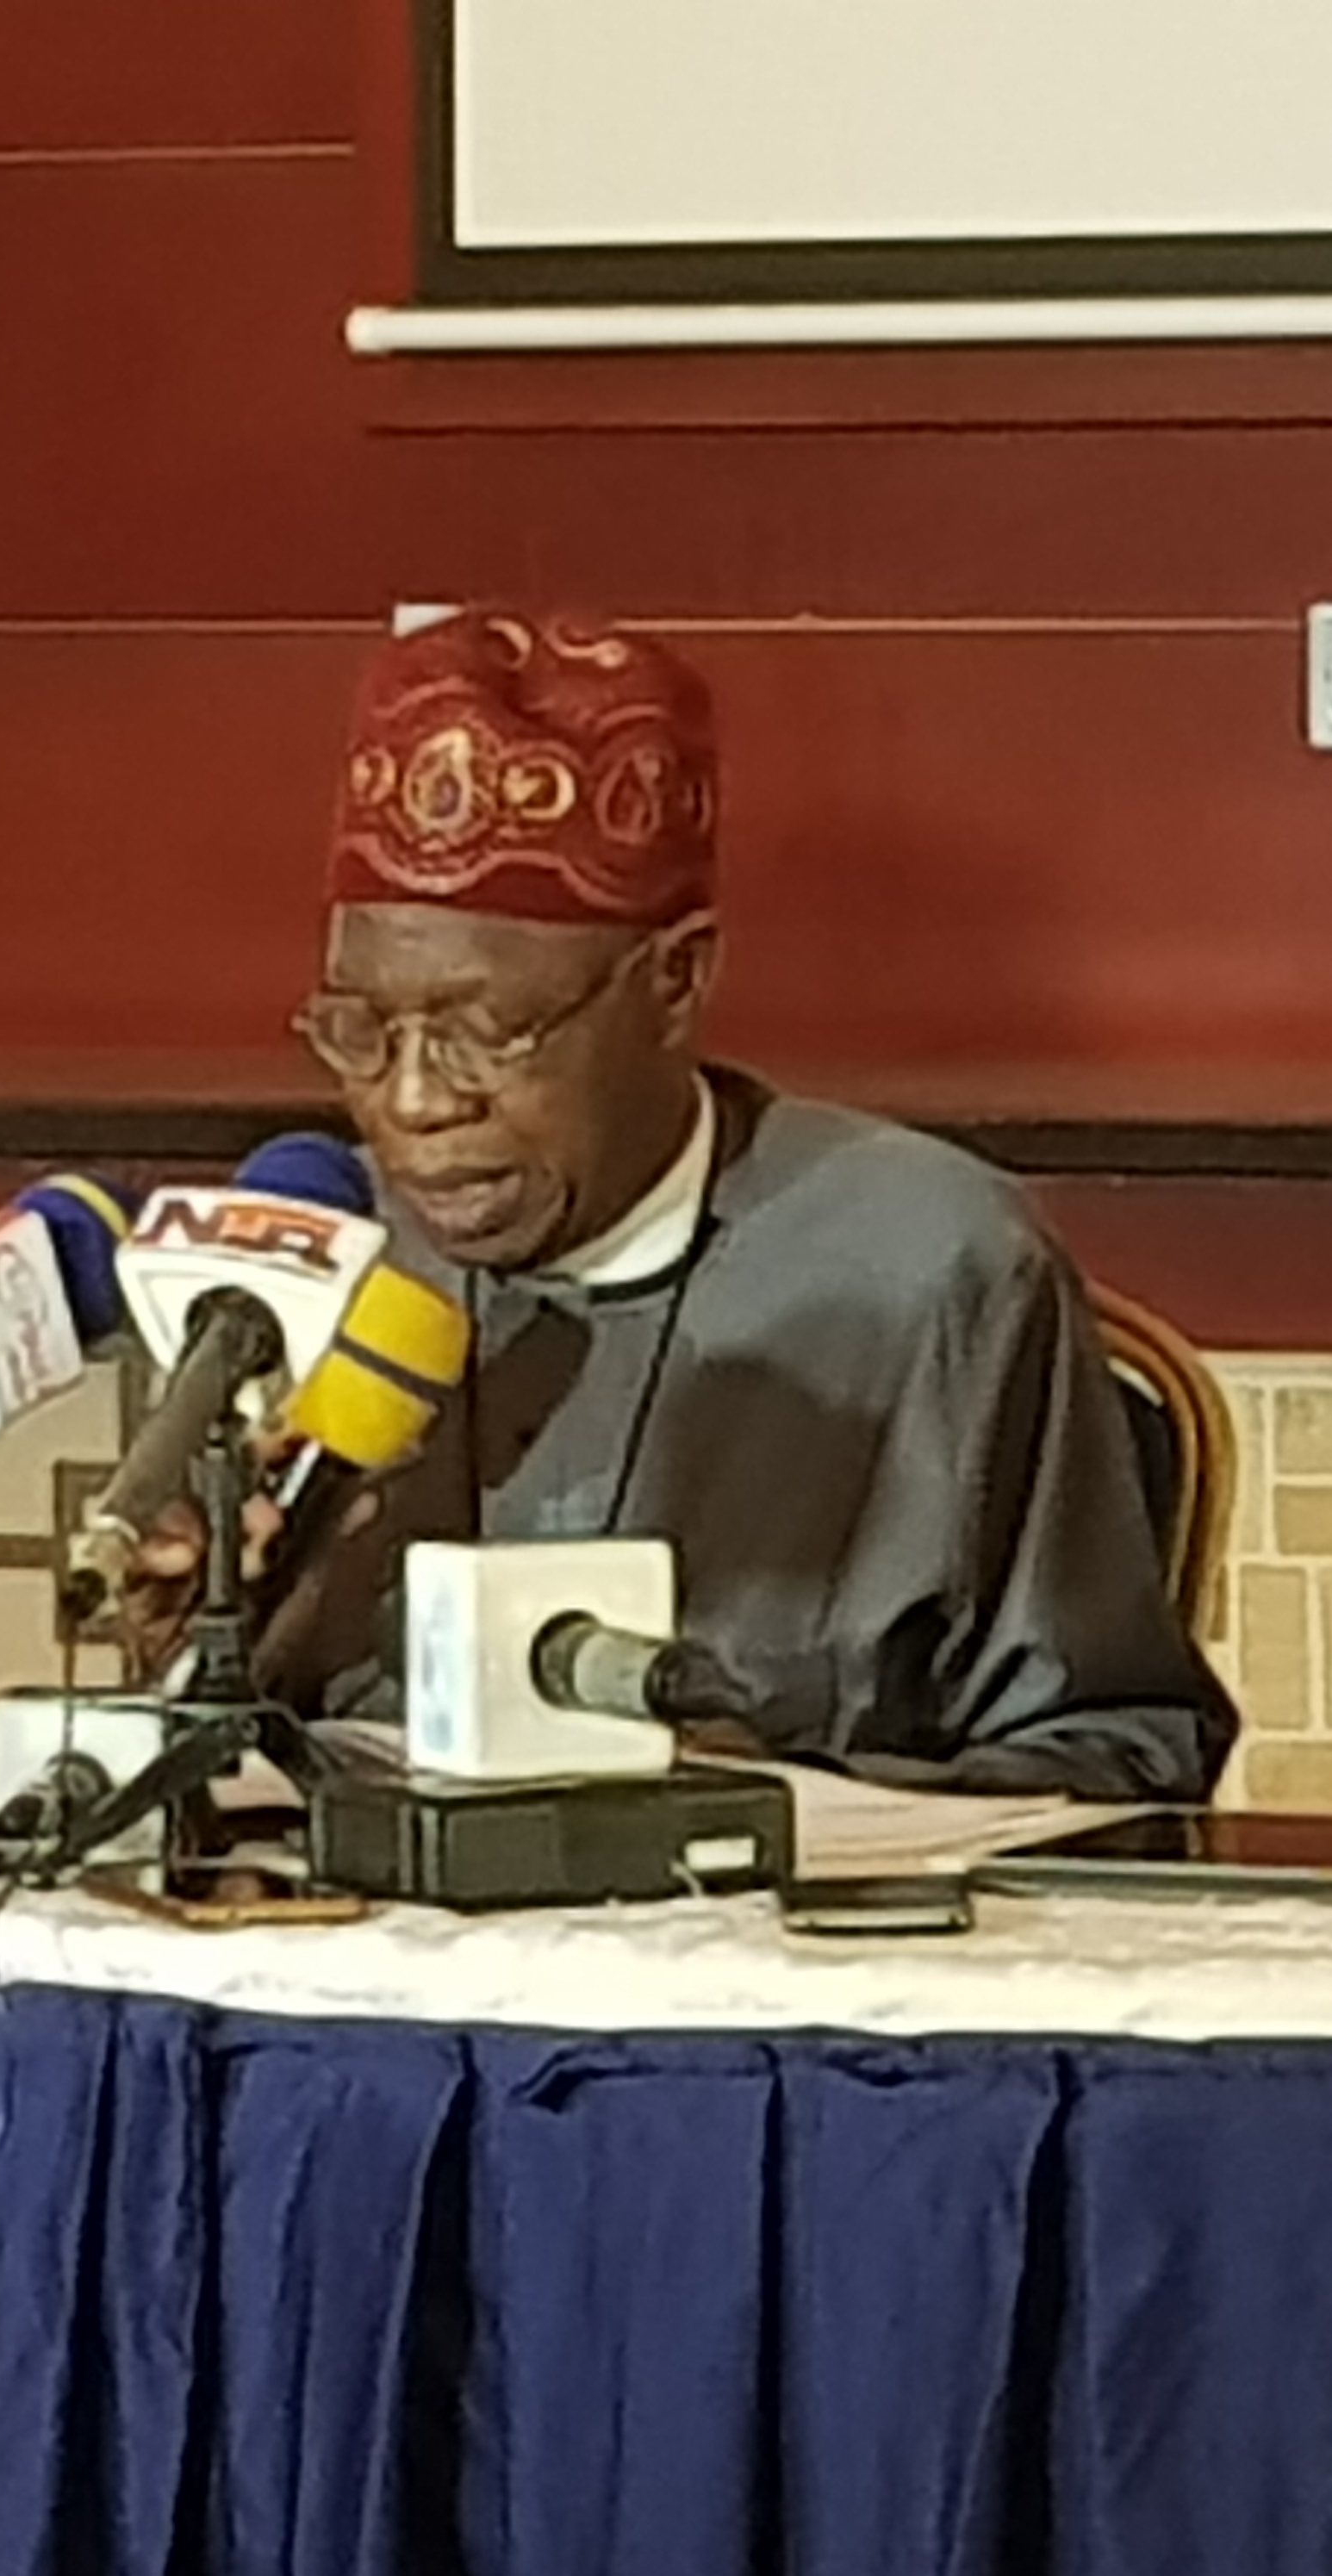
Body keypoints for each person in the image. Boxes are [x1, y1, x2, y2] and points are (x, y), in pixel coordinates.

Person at [156, 608, 1229, 1796]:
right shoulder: (329, 1274)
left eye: (489, 1033)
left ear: (676, 982)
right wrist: (193, 1645)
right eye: (362, 1030)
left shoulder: (934, 1272)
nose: (411, 1101)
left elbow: (1131, 1762)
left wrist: (764, 1806)